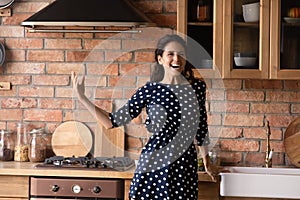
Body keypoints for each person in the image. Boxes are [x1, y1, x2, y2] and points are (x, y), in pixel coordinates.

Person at [72, 34, 216, 200]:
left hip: (184, 165)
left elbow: (201, 128)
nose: (177, 58)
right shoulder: (150, 90)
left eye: (181, 54)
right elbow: (111, 122)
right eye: (170, 54)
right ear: (160, 59)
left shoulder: (197, 88)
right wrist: (82, 98)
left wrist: (206, 161)